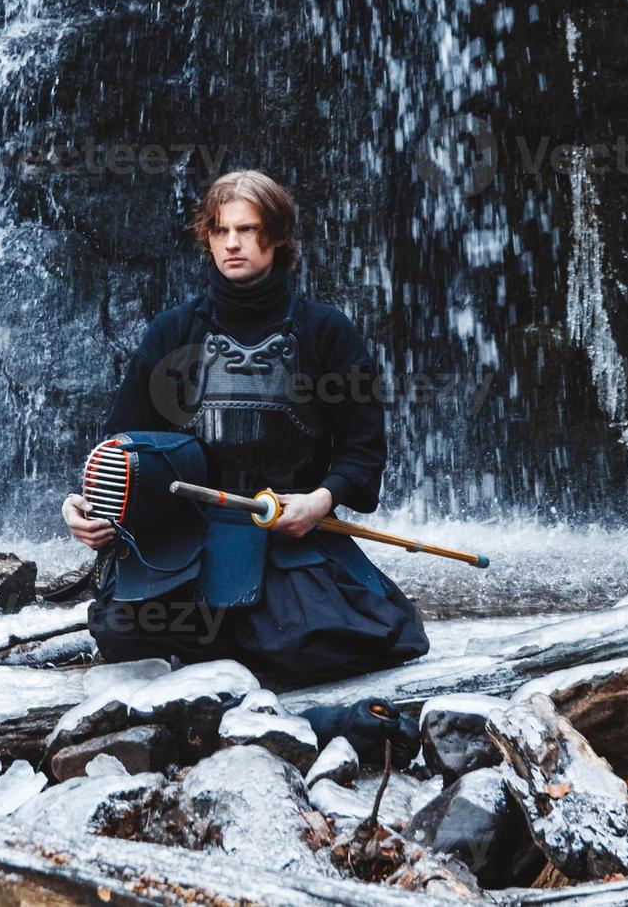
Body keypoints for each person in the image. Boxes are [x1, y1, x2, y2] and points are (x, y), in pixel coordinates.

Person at [61, 170, 429, 686]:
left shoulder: (327, 331)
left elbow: (363, 450)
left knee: (309, 644)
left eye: (249, 229)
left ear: (277, 236)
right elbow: (121, 442)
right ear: (207, 238)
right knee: (124, 632)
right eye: (220, 231)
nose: (232, 243)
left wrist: (320, 501)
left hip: (285, 529)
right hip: (185, 538)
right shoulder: (172, 331)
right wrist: (80, 507)